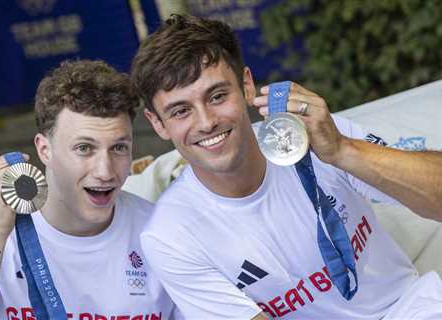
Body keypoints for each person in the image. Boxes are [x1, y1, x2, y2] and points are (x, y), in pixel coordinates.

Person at [131, 14, 442, 319]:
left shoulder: (315, 136)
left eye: (217, 96)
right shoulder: (170, 236)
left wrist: (342, 150)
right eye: (181, 111)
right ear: (157, 123)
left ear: (247, 86)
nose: (207, 122)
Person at [0, 60, 178, 319]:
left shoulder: (162, 233)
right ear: (45, 150)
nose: (105, 171)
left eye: (118, 147)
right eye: (84, 148)